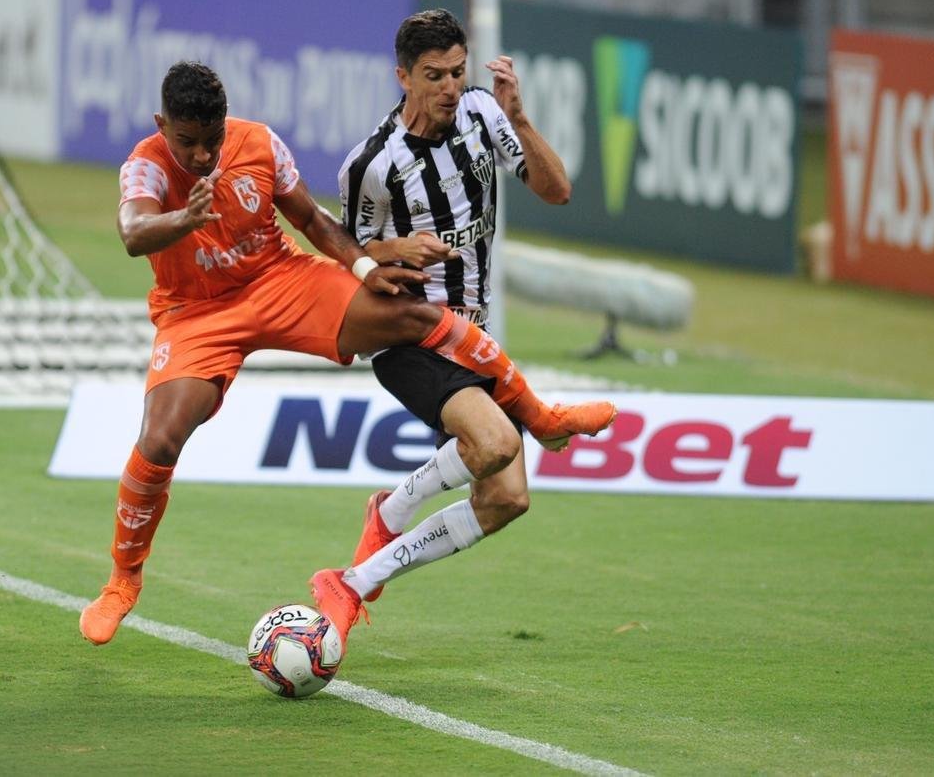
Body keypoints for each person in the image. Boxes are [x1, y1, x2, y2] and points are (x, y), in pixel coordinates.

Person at [78, 60, 614, 646]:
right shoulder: (146, 165)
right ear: (163, 126)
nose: (203, 155)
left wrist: (363, 267)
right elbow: (133, 233)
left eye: (214, 138)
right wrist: (186, 216)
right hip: (197, 313)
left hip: (279, 281)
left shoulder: (259, 144)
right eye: (188, 142)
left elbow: (311, 218)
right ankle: (123, 580)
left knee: (410, 311)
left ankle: (539, 415)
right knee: (160, 438)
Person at [309, 9, 614, 646]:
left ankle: (358, 577)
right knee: (497, 444)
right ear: (403, 77)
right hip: (409, 337)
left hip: (476, 337)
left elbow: (556, 190)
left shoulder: (482, 113)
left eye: (457, 72)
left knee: (507, 499)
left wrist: (519, 117)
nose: (450, 87)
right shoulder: (373, 165)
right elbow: (347, 259)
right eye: (434, 76)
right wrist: (396, 250)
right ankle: (393, 512)